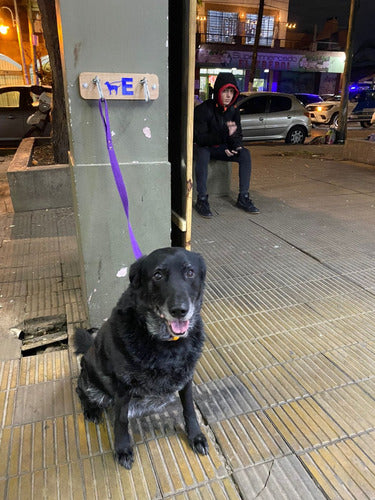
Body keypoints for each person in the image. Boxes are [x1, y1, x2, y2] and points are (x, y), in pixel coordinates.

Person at [193, 72, 259, 218]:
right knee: (202, 153)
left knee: (245, 154)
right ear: (218, 92)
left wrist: (236, 146)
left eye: (231, 92)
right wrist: (222, 141)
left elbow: (235, 132)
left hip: (221, 147)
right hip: (206, 146)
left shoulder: (233, 111)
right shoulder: (204, 109)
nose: (228, 95)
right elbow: (200, 138)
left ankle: (243, 197)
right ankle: (202, 199)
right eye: (225, 91)